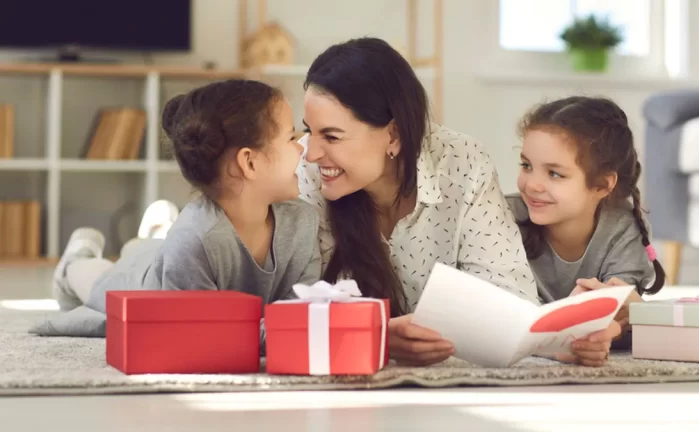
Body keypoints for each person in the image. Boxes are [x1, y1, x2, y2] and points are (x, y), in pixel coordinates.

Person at [297, 37, 539, 367]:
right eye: (308, 130)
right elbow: (289, 313)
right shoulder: (307, 172)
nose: (310, 153)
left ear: (393, 135)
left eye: (331, 136)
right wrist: (376, 336)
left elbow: (513, 302)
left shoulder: (463, 163)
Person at [52, 79, 320, 316]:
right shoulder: (193, 242)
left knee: (153, 249)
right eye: (291, 137)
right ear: (249, 163)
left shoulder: (303, 222)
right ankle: (75, 260)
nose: (303, 148)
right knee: (102, 283)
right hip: (148, 287)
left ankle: (154, 236)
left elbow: (302, 314)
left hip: (175, 254)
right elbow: (210, 333)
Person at [508, 96, 666, 366]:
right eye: (526, 166)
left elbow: (622, 314)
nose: (532, 184)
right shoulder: (504, 216)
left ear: (603, 185)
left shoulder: (624, 228)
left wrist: (603, 332)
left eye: (554, 174)